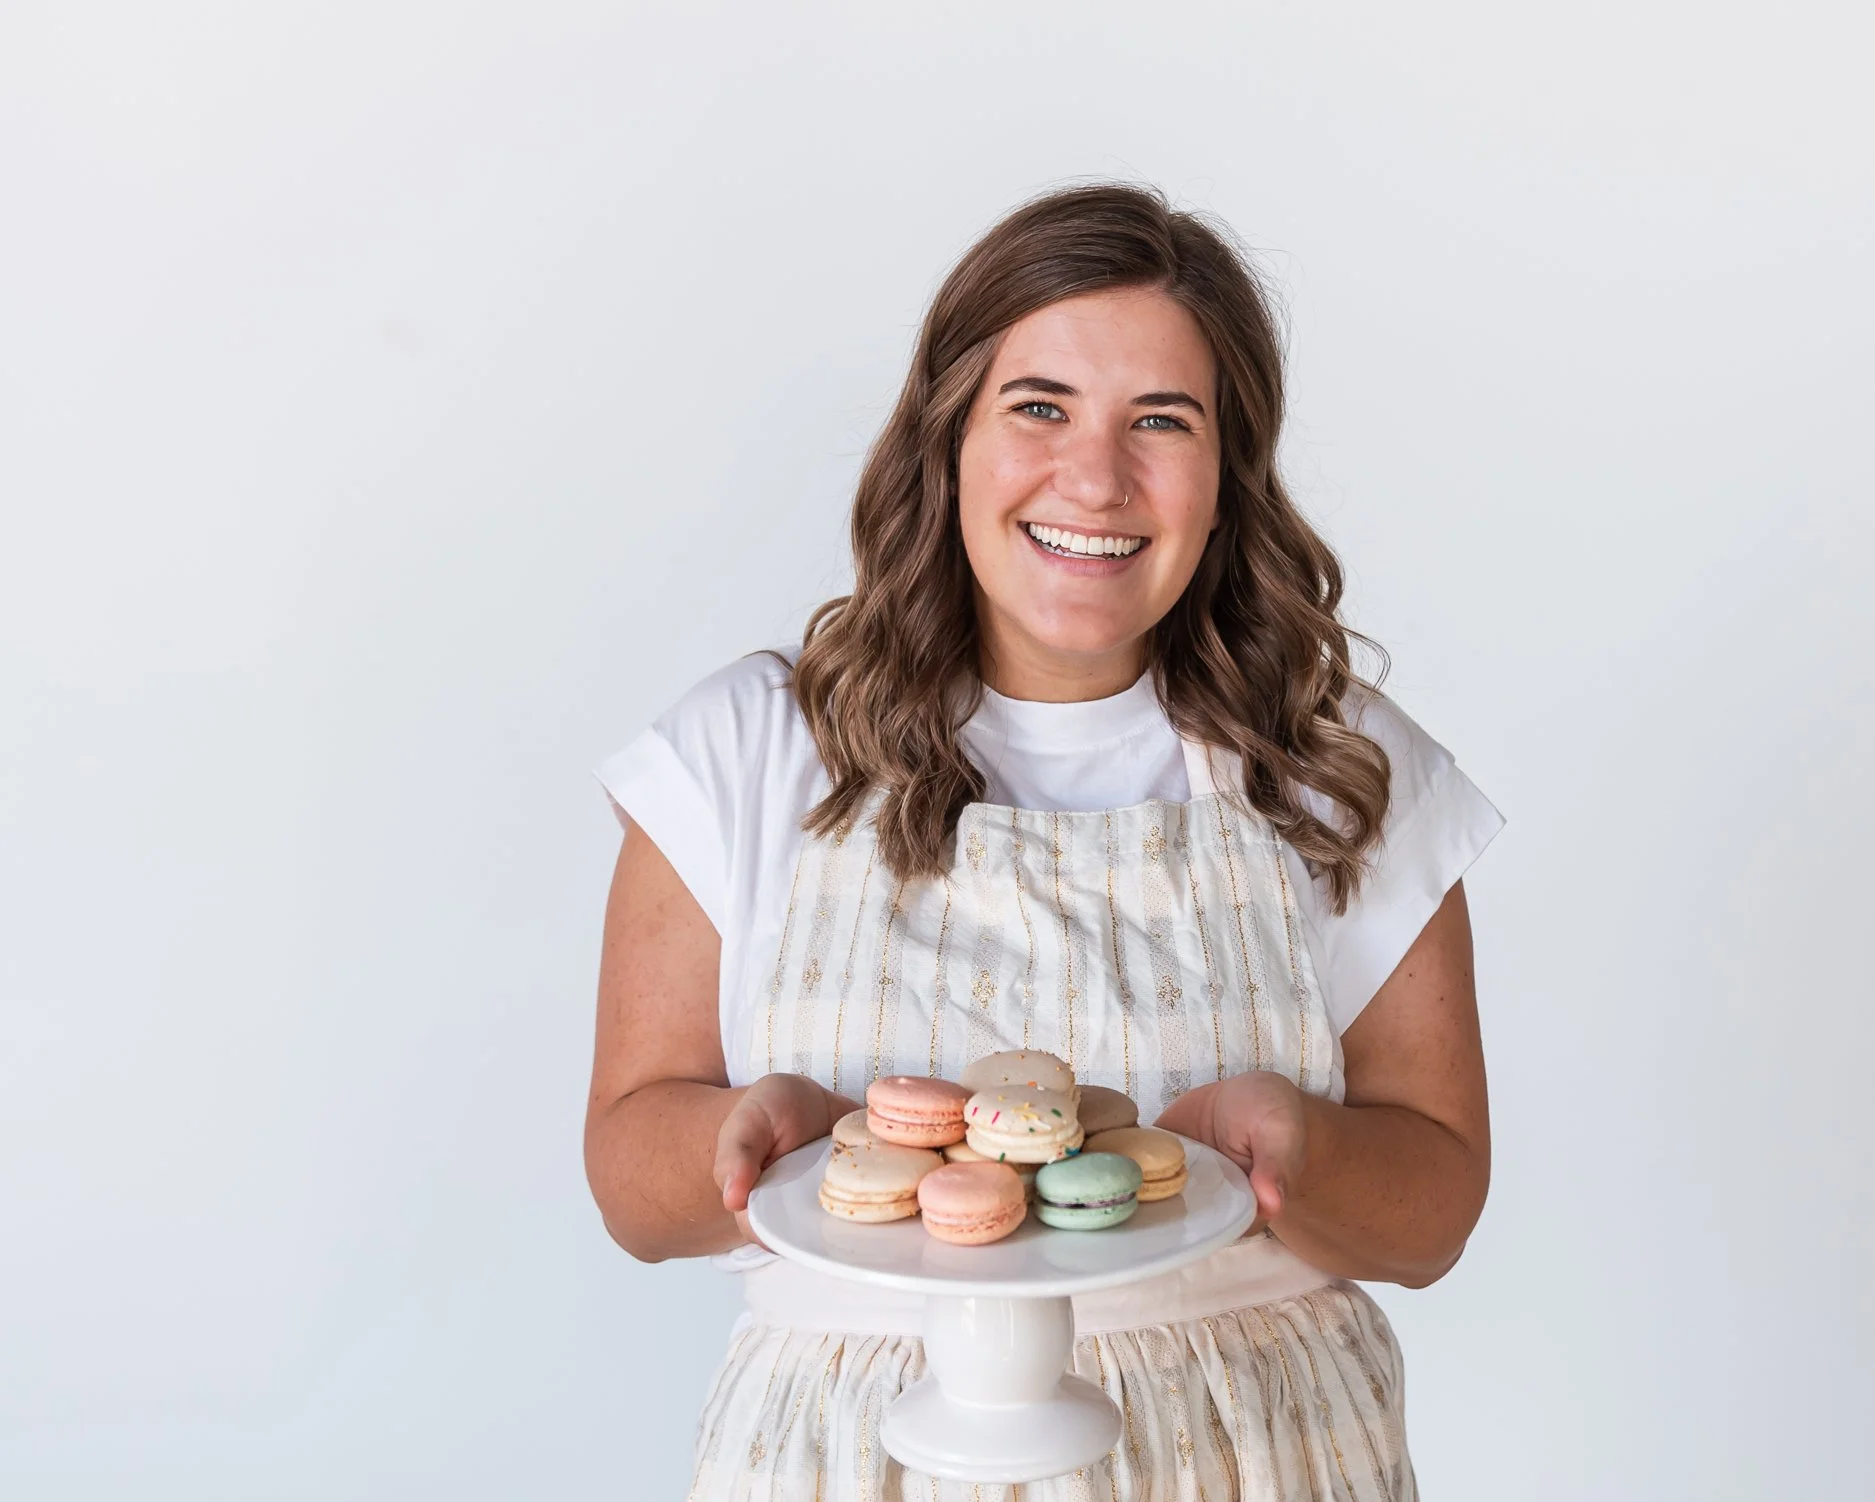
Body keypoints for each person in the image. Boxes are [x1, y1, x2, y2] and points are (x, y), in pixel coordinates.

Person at [585, 181, 1505, 1501]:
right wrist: (747, 1134)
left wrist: (1299, 1151)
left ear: (1227, 473)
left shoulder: (1336, 762)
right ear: (948, 433)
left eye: (1162, 422)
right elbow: (628, 1174)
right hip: (857, 1458)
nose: (1095, 475)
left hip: (1261, 1454)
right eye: (1039, 407)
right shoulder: (751, 749)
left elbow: (1436, 1205)